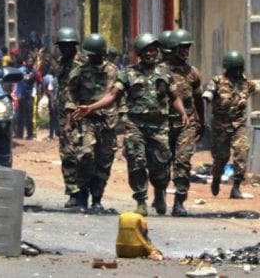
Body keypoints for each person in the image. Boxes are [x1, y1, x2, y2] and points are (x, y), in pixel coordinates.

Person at [73, 33, 188, 216]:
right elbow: (112, 95)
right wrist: (91, 108)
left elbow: (174, 97)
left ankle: (159, 192)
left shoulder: (166, 74)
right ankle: (141, 199)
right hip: (136, 125)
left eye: (154, 50)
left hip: (159, 126)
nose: (151, 54)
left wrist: (182, 112)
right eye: (147, 50)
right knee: (137, 162)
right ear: (140, 53)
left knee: (160, 165)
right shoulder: (128, 73)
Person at [202, 50, 260, 199]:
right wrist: (204, 112)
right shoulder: (217, 82)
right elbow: (207, 96)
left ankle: (236, 187)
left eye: (241, 68)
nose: (239, 72)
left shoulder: (245, 83)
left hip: (238, 125)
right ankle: (216, 177)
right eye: (236, 69)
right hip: (220, 126)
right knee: (221, 157)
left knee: (241, 152)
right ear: (228, 68)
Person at [64, 33, 119, 210]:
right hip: (85, 120)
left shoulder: (113, 71)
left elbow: (118, 95)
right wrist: (68, 121)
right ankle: (82, 194)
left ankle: (97, 198)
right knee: (85, 155)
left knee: (104, 161)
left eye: (95, 54)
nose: (92, 57)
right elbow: (70, 96)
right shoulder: (79, 71)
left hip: (107, 122)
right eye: (90, 54)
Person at [162, 29, 203, 216]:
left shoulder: (193, 73)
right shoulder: (160, 72)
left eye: (187, 47)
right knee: (161, 163)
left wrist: (201, 121)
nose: (186, 51)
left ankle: (179, 201)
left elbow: (198, 98)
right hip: (162, 123)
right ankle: (159, 193)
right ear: (172, 49)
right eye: (182, 47)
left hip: (186, 123)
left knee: (183, 161)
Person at [52, 27, 83, 207]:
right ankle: (73, 191)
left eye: (68, 45)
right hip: (64, 116)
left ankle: (85, 192)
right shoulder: (62, 63)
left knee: (84, 154)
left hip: (81, 113)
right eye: (62, 46)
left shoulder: (82, 64)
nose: (65, 49)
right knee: (67, 154)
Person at [15, 56, 38, 140]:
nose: (30, 63)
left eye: (31, 61)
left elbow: (28, 79)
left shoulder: (34, 72)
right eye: (28, 61)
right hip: (22, 95)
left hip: (29, 95)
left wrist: (23, 76)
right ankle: (19, 133)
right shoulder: (22, 70)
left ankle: (30, 134)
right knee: (20, 115)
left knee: (29, 115)